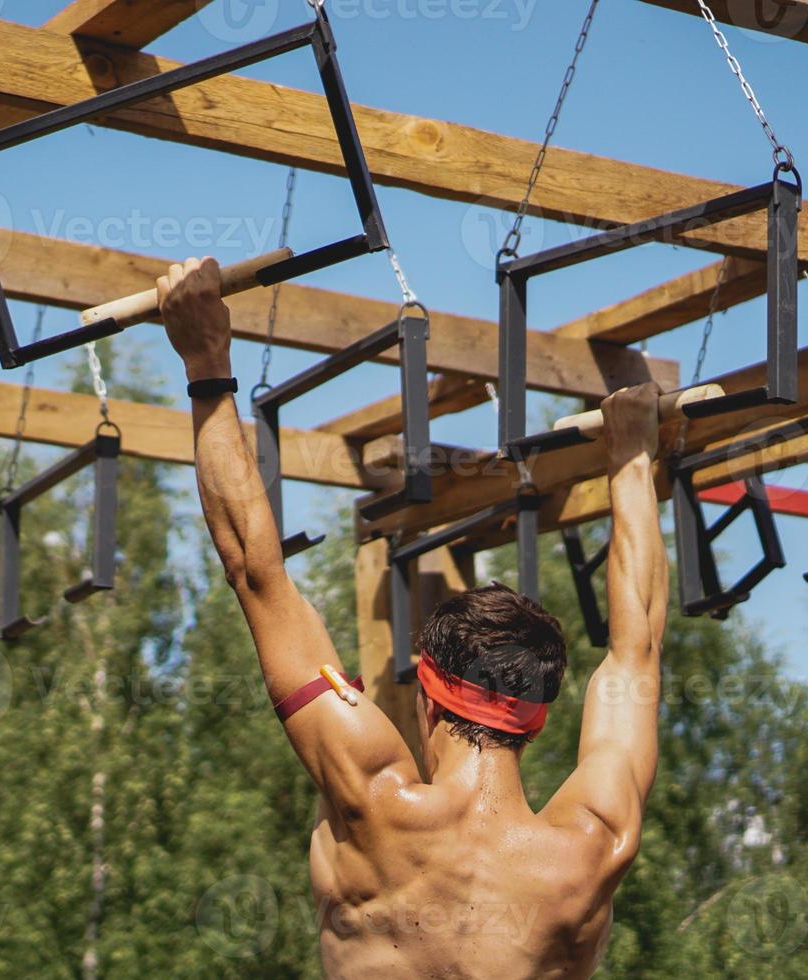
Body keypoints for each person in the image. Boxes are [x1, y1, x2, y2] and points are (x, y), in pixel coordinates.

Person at [158, 257, 668, 978]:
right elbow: (635, 647)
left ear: (428, 697)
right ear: (537, 715)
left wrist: (205, 358)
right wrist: (634, 456)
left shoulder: (371, 800)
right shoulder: (592, 844)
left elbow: (254, 571)